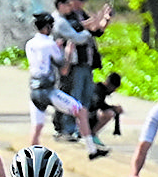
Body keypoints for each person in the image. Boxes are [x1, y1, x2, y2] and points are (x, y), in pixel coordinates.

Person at [25, 11, 107, 157]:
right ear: (47, 27)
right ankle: (92, 150)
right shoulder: (49, 44)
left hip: (34, 90)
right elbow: (63, 68)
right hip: (48, 90)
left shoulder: (30, 44)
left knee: (37, 127)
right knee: (81, 111)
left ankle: (30, 158)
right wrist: (68, 51)